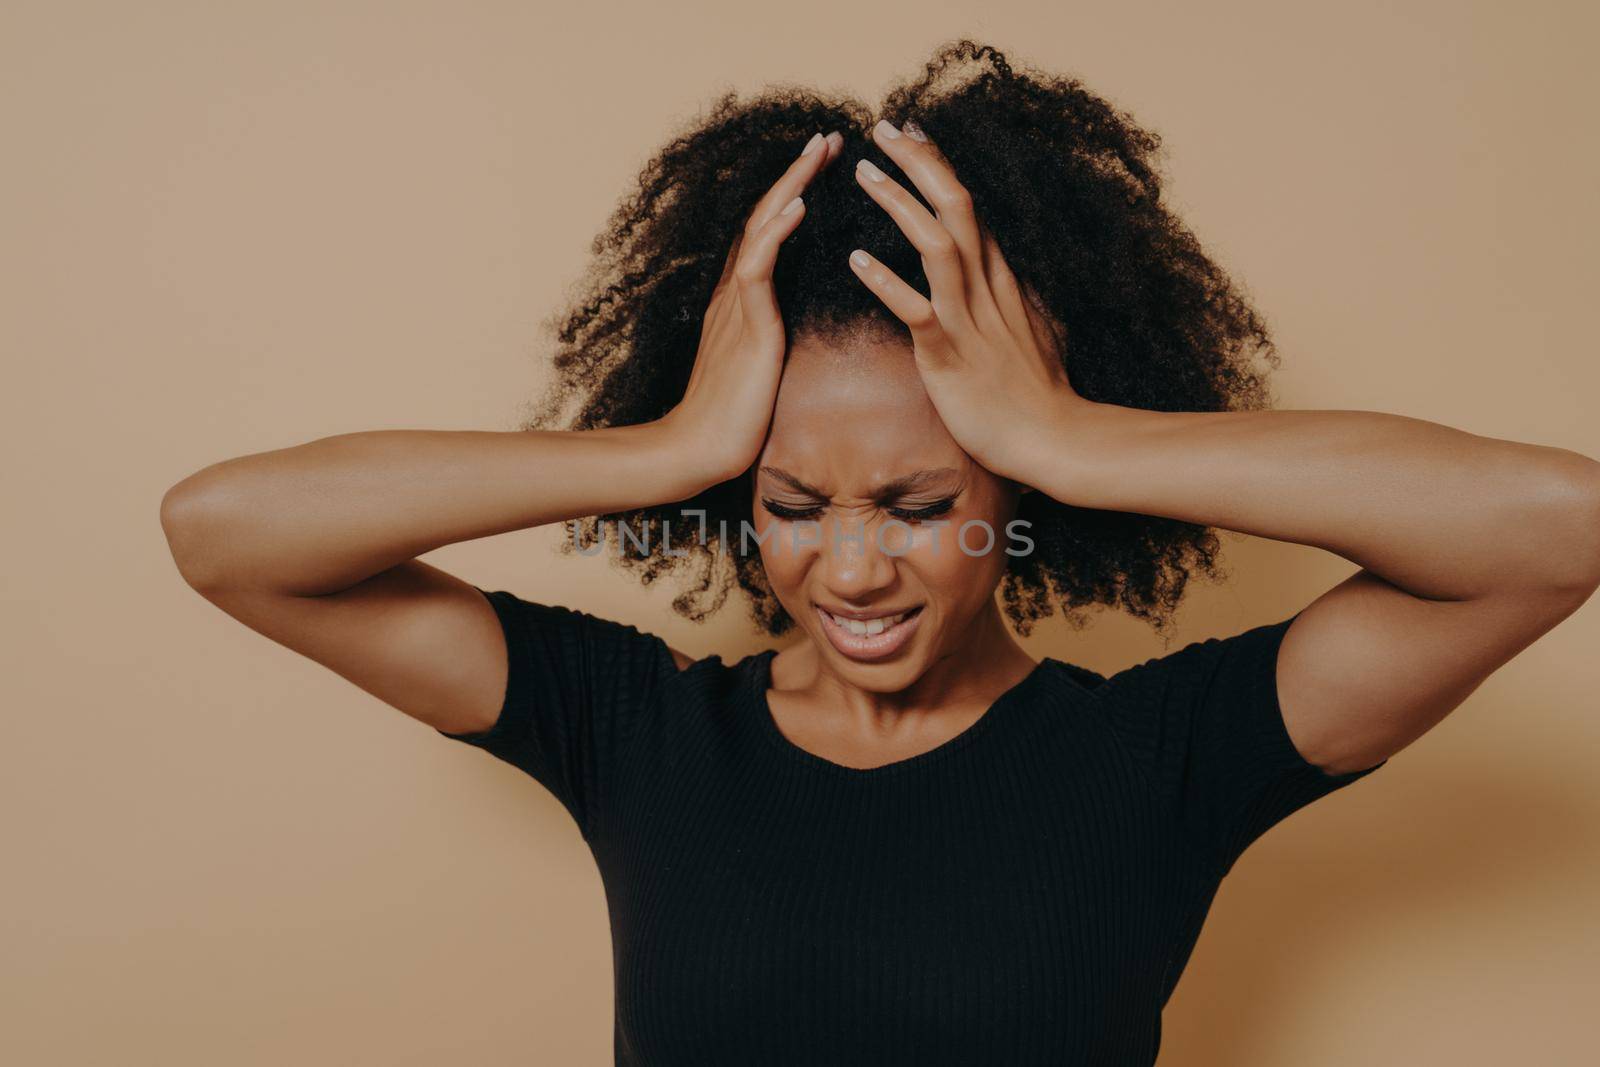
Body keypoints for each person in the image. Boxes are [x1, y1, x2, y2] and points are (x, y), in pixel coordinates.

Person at [158, 40, 1600, 1067]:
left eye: (918, 506)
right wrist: (660, 451)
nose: (850, 572)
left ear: (1017, 495)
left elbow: (1554, 529)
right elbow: (227, 537)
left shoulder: (1166, 757)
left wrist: (1077, 435)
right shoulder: (633, 727)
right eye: (792, 507)